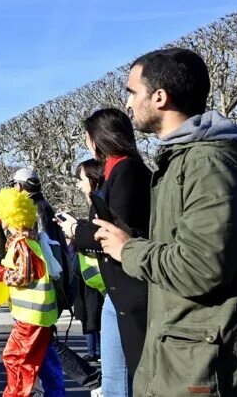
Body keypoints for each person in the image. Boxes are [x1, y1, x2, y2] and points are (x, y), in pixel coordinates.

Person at [94, 47, 237, 395]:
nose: (128, 104)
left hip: (216, 366)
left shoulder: (207, 164)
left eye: (132, 93)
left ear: (159, 97)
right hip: (200, 356)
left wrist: (128, 250)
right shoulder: (185, 160)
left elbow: (201, 267)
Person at [58, 107, 151, 396]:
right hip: (122, 286)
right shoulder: (124, 170)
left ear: (97, 138)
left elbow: (113, 233)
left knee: (117, 381)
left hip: (128, 285)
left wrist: (76, 230)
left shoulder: (125, 171)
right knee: (116, 378)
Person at [0, 187, 61, 397]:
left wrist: (0, 273)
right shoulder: (31, 240)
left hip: (31, 317)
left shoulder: (22, 244)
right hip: (39, 315)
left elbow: (23, 275)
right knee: (44, 361)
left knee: (15, 358)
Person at [66, 160, 105, 365]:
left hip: (99, 280)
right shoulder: (99, 202)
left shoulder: (100, 203)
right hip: (94, 280)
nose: (78, 185)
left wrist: (74, 230)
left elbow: (100, 240)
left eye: (81, 180)